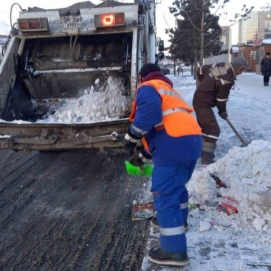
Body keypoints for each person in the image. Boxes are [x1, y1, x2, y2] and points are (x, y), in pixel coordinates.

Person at [123, 63, 202, 267]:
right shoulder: (169, 90)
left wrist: (130, 137)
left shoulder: (147, 87)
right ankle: (180, 221)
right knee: (177, 187)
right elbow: (164, 126)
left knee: (164, 194)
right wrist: (143, 152)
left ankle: (174, 251)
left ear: (141, 77)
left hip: (173, 143)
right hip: (191, 141)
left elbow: (149, 115)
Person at [192, 56, 252, 164]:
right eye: (242, 69)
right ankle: (207, 158)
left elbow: (200, 70)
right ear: (238, 67)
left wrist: (204, 85)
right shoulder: (227, 79)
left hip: (200, 100)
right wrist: (222, 111)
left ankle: (200, 151)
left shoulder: (219, 65)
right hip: (202, 104)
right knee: (213, 130)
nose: (242, 72)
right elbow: (221, 100)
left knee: (206, 129)